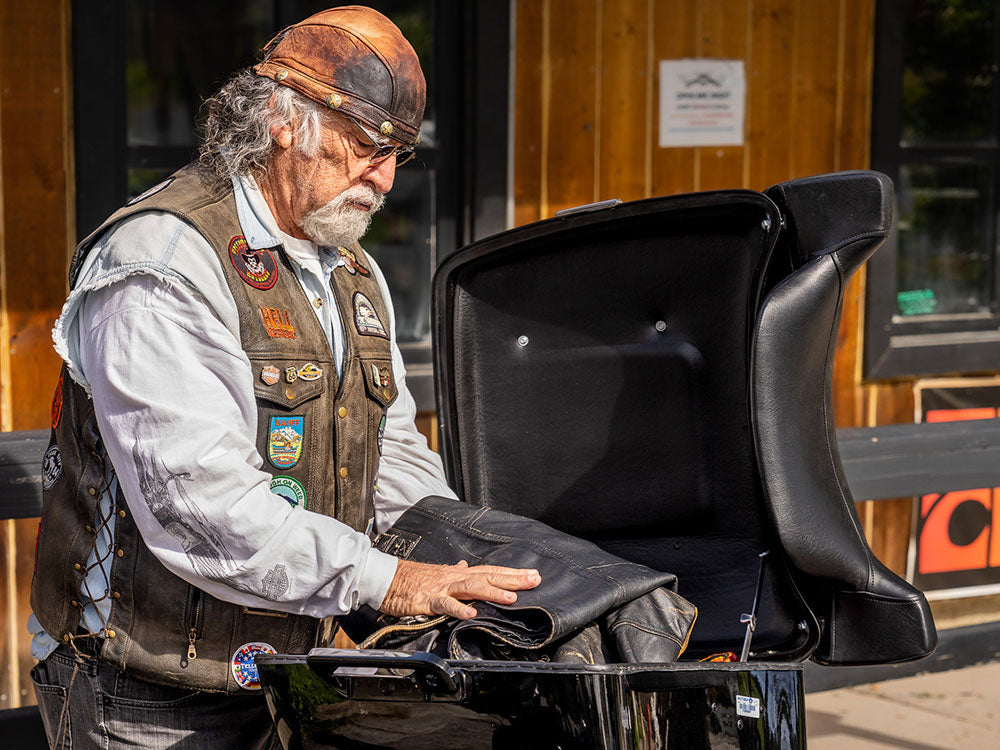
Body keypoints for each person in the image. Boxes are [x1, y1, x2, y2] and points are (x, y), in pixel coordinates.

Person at [28, 7, 540, 749]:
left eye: (400, 153)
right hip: (142, 689)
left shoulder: (352, 268)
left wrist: (465, 556)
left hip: (300, 674)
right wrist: (392, 583)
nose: (386, 178)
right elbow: (199, 507)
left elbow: (389, 451)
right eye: (365, 146)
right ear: (282, 120)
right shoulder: (162, 261)